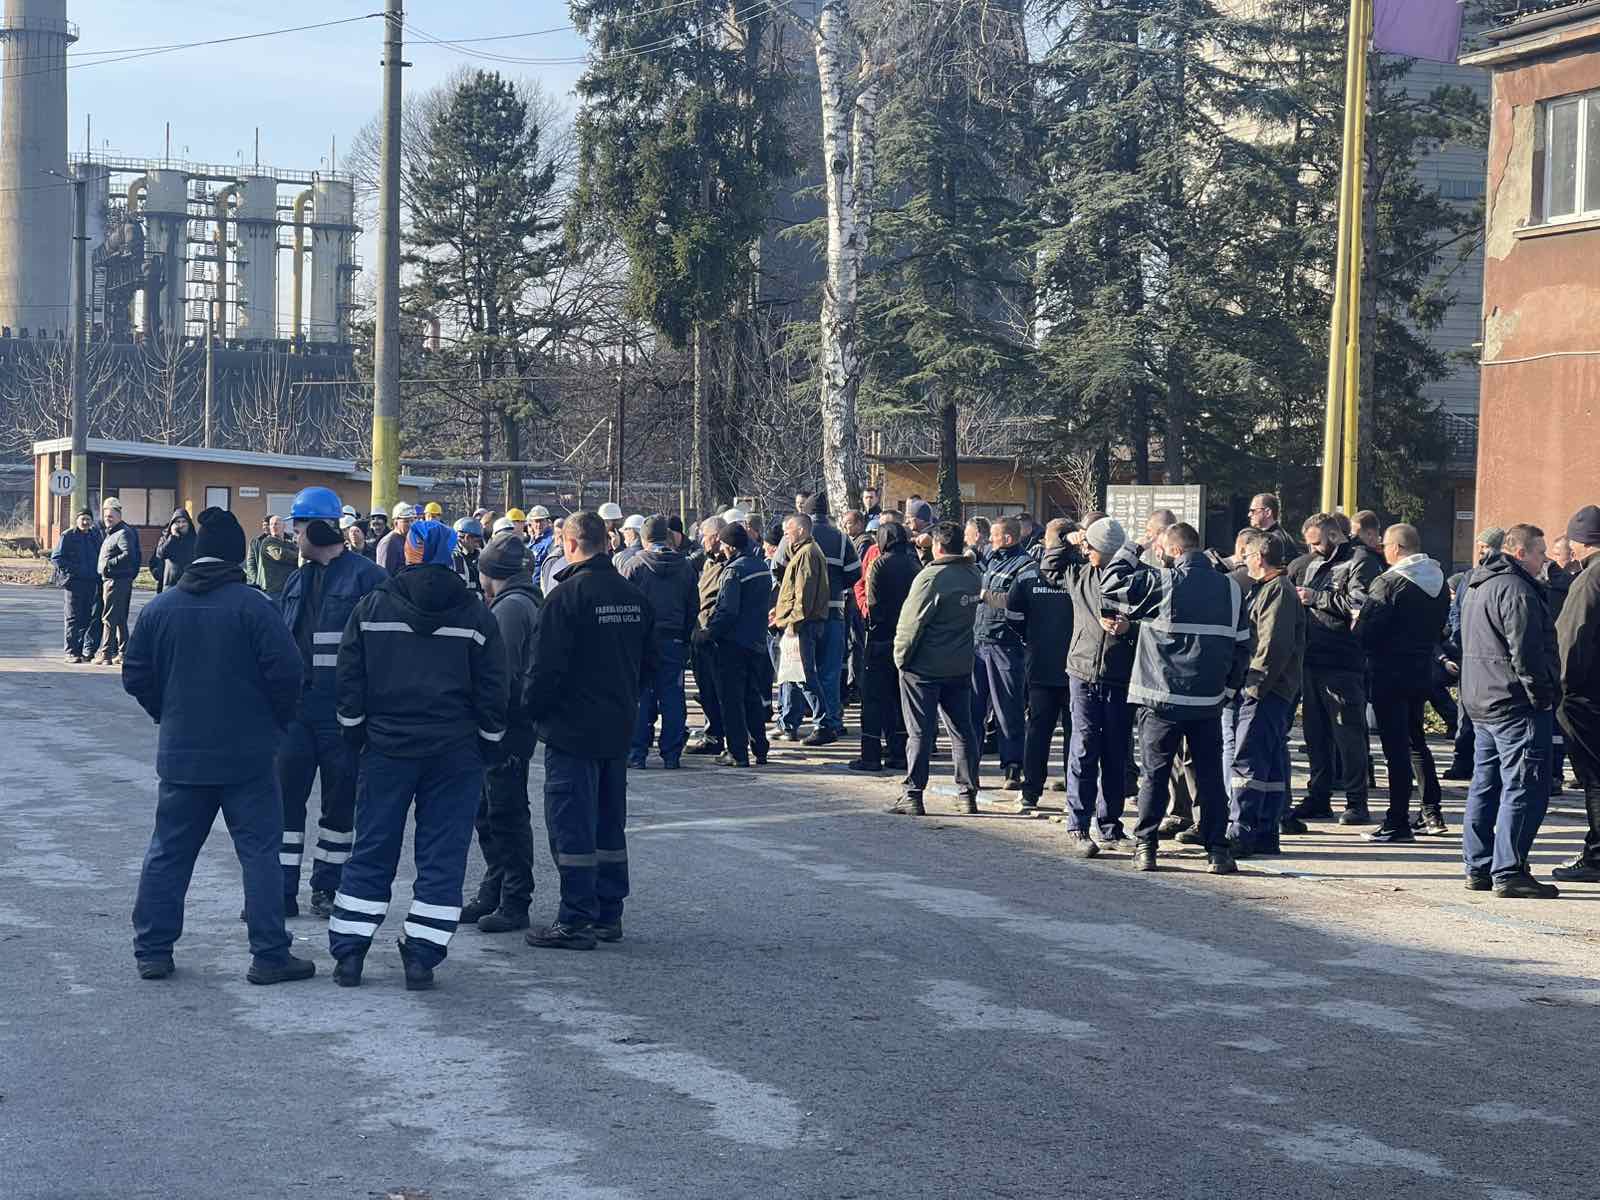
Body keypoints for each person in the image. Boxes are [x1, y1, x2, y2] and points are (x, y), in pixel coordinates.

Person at [122, 507, 313, 985]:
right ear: (234, 558)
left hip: (183, 753)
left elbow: (136, 676)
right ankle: (269, 954)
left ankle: (153, 950)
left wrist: (166, 713)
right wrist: (275, 722)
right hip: (248, 755)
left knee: (169, 851)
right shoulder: (255, 608)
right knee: (259, 854)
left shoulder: (161, 608)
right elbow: (288, 674)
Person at [331, 519, 509, 988]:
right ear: (451, 555)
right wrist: (490, 745)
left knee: (372, 849)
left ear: (407, 554)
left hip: (387, 748)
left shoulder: (371, 606)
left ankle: (349, 952)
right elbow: (494, 689)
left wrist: (355, 735)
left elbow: (349, 678)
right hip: (455, 753)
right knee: (442, 856)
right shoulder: (475, 613)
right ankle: (422, 958)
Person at [523, 511, 654, 949]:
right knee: (608, 823)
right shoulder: (631, 595)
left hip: (572, 730)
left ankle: (576, 918)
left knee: (571, 825)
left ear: (572, 543)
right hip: (616, 726)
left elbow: (544, 670)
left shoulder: (566, 597)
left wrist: (531, 713)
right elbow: (652, 664)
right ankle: (607, 913)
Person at [1102, 522, 1250, 874]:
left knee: (1154, 775)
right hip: (1207, 702)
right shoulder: (1231, 589)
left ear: (1172, 551)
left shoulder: (1164, 582)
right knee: (1211, 777)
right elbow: (1243, 648)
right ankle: (1217, 850)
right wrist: (1227, 691)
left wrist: (1133, 548)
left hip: (1160, 700)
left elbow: (1110, 585)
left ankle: (1147, 847)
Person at [275, 487, 388, 918]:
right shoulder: (297, 579)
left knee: (339, 807)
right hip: (297, 713)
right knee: (285, 803)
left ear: (317, 528)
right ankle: (281, 890)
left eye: (299, 526)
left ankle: (327, 888)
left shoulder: (367, 578)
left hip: (343, 713)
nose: (294, 535)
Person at [1459, 523, 1561, 899]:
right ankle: (1509, 870)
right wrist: (1542, 695)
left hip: (1482, 699)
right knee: (1524, 787)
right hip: (1514, 702)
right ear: (1520, 553)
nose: (1545, 558)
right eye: (1539, 552)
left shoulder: (1477, 584)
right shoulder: (1517, 590)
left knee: (1485, 786)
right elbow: (1527, 653)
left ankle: (1479, 865)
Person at [462, 533, 543, 933]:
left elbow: (501, 673)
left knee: (505, 812)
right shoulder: (526, 600)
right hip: (512, 723)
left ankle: (514, 899)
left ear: (489, 573)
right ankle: (494, 889)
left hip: (506, 725)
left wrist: (487, 722)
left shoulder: (509, 609)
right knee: (489, 811)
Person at [1354, 523, 1450, 841]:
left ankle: (1397, 821)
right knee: (1416, 742)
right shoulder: (1437, 581)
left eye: (1384, 546)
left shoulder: (1389, 582)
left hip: (1388, 672)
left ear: (1395, 548)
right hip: (1420, 671)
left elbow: (1367, 633)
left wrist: (1357, 623)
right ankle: (1430, 810)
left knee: (1394, 749)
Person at [1290, 512, 1380, 825]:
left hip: (1343, 660)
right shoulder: (1314, 563)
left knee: (1348, 735)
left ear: (1334, 535)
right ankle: (1319, 797)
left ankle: (1357, 802)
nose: (1313, 549)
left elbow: (1359, 604)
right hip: (1312, 658)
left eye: (1317, 542)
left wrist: (1316, 597)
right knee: (1315, 735)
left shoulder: (1360, 560)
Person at [891, 522, 983, 816]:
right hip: (959, 665)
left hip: (924, 667)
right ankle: (968, 794)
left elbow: (911, 624)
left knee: (919, 731)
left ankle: (913, 794)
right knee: (963, 731)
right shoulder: (972, 575)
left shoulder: (930, 577)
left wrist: (901, 659)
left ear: (938, 547)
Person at [1059, 518, 1137, 849]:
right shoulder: (1079, 575)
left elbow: (1154, 620)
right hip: (1082, 671)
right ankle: (1078, 824)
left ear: (1105, 551)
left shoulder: (1137, 579)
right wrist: (1068, 538)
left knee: (1116, 754)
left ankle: (1110, 826)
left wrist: (1128, 628)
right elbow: (1050, 562)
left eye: (1091, 546)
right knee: (1084, 747)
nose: (1085, 550)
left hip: (1120, 676)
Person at [1228, 531, 1305, 856]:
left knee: (1247, 761)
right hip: (1273, 689)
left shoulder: (1277, 593)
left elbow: (1272, 646)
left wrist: (1254, 687)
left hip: (1266, 690)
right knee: (1269, 765)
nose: (1243, 562)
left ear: (1259, 557)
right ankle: (1264, 830)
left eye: (1247, 556)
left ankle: (1241, 832)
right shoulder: (1272, 590)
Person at [770, 494, 860, 745]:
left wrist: (786, 604)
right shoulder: (841, 539)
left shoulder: (795, 541)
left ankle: (789, 722)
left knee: (794, 670)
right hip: (834, 613)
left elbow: (776, 568)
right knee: (828, 673)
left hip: (801, 618)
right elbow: (855, 574)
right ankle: (832, 720)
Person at [1006, 519, 1076, 824]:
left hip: (1040, 664)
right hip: (1078, 668)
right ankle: (1074, 795)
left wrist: (1030, 638)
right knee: (1077, 737)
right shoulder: (1084, 574)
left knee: (1037, 732)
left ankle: (1030, 791)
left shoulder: (1028, 576)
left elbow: (1012, 615)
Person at [620, 514, 697, 769]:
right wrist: (685, 637)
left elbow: (625, 606)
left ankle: (637, 753)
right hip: (674, 639)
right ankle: (672, 754)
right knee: (673, 696)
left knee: (641, 696)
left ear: (644, 538)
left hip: (641, 641)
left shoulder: (634, 566)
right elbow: (692, 607)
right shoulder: (685, 566)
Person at [972, 515, 1037, 790]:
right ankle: (969, 766)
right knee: (973, 709)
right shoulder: (990, 558)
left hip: (1005, 645)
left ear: (1008, 538)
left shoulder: (1025, 566)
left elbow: (1015, 602)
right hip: (979, 642)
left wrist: (985, 595)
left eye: (995, 537)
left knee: (1007, 709)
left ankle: (1012, 767)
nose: (990, 541)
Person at [702, 523, 775, 767]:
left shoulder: (734, 571)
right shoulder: (762, 568)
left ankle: (737, 752)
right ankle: (760, 749)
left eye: (723, 545)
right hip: (756, 642)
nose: (721, 549)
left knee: (731, 700)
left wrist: (710, 633)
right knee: (752, 696)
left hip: (732, 644)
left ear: (731, 547)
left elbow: (728, 610)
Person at [1553, 506, 1600, 882]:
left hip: (1587, 696)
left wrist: (1561, 687)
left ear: (1580, 542)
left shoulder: (1588, 581)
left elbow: (1571, 639)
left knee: (1595, 777)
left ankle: (1597, 857)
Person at [851, 521, 919, 773]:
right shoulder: (914, 564)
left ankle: (870, 756)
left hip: (880, 638)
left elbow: (873, 602)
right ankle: (898, 753)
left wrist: (873, 620)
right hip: (906, 639)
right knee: (897, 699)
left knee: (872, 699)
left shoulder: (880, 564)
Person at [1443, 528, 1506, 779]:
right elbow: (1456, 613)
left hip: (1492, 658)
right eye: (1479, 545)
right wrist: (1461, 640)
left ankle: (1486, 765)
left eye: (1486, 546)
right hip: (1468, 655)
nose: (1481, 551)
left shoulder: (1504, 578)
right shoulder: (1469, 577)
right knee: (1465, 712)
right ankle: (1463, 761)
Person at [771, 511, 830, 742]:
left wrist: (791, 623)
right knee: (795, 675)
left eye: (788, 531)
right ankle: (791, 723)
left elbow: (803, 596)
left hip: (801, 626)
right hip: (796, 623)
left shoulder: (807, 554)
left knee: (804, 676)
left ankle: (824, 723)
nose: (785, 535)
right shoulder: (802, 553)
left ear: (802, 530)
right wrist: (780, 613)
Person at [687, 515, 729, 755]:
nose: (701, 540)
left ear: (715, 537)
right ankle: (712, 732)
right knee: (706, 689)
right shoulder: (708, 561)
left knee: (717, 689)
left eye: (704, 535)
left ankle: (718, 735)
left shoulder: (726, 563)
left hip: (714, 636)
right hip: (701, 632)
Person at [52, 507, 102, 663]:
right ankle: (71, 652)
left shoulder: (94, 535)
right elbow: (57, 558)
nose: (85, 522)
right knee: (73, 618)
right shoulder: (68, 536)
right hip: (73, 584)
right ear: (77, 520)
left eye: (88, 519)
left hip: (91, 583)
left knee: (87, 618)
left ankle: (80, 651)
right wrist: (72, 571)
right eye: (83, 519)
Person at [96, 497, 141, 666]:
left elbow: (128, 554)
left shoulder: (122, 533)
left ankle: (106, 654)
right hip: (116, 580)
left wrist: (108, 565)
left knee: (108, 618)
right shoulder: (114, 532)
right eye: (106, 515)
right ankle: (123, 653)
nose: (108, 518)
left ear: (119, 515)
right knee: (120, 618)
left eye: (111, 515)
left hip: (116, 581)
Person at [149, 509, 196, 594]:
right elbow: (160, 554)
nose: (181, 525)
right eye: (178, 522)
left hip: (188, 582)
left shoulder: (194, 539)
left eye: (184, 522)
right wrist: (173, 537)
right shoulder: (166, 538)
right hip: (169, 583)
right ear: (173, 524)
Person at [1248, 493, 1300, 562]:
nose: (1249, 515)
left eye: (1253, 511)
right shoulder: (1276, 535)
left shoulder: (1275, 539)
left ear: (1268, 512)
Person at [375, 501, 415, 576]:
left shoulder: (408, 539)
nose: (410, 524)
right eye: (406, 521)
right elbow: (384, 574)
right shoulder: (388, 543)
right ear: (395, 523)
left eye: (412, 521)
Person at [452, 517, 485, 599]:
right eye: (476, 541)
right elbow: (460, 592)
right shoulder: (456, 558)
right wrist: (482, 597)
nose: (477, 545)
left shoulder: (479, 554)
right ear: (466, 537)